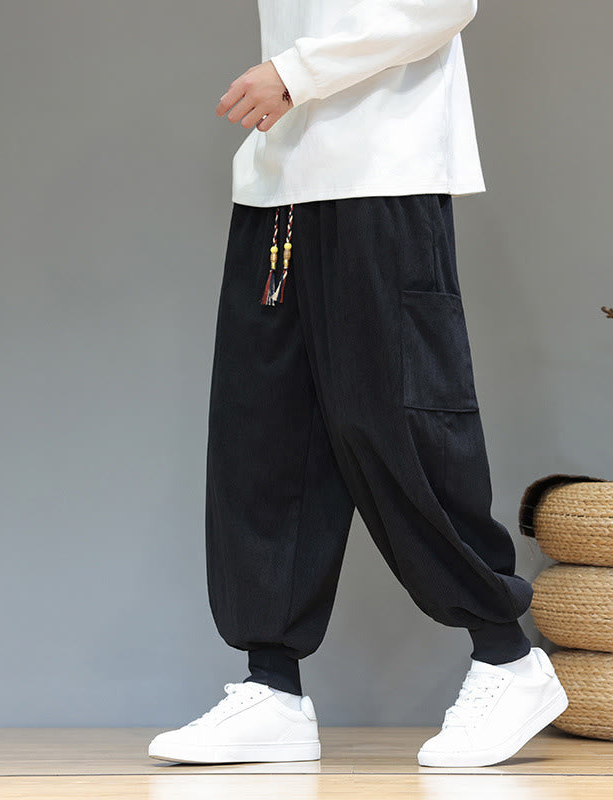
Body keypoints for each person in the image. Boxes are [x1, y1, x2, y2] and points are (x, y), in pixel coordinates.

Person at [148, 0, 567, 768]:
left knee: (399, 424)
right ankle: (272, 687)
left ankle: (508, 660)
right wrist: (290, 83)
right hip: (280, 181)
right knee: (264, 434)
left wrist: (294, 72)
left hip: (384, 172)